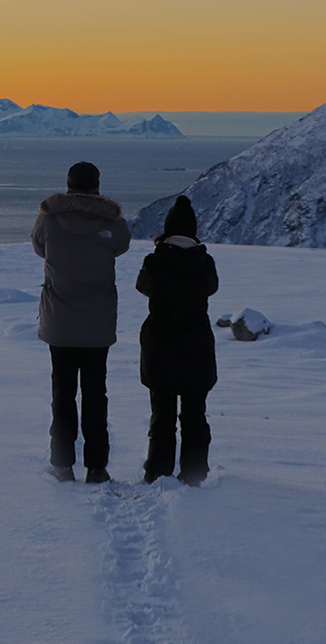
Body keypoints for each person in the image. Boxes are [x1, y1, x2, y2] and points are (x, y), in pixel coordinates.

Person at [32, 162, 131, 483]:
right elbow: (121, 245)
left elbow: (39, 247)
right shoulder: (112, 222)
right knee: (95, 394)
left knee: (62, 394)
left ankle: (62, 464)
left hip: (59, 322)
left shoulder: (48, 219)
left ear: (69, 183)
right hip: (97, 321)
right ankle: (97, 467)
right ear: (96, 185)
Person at [135, 195, 219, 486]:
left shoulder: (155, 261)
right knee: (195, 413)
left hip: (161, 346)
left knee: (162, 414)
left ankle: (158, 471)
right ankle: (194, 471)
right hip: (197, 347)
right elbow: (211, 287)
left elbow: (142, 286)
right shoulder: (204, 262)